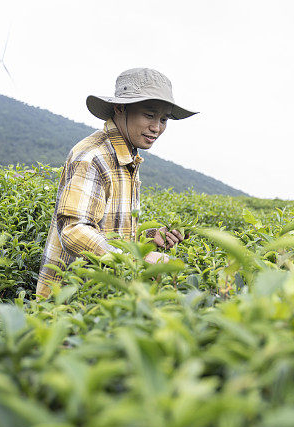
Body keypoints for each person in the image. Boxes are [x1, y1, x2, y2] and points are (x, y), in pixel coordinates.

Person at [36, 68, 195, 298]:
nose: (157, 128)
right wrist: (136, 258)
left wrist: (150, 238)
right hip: (69, 302)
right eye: (149, 115)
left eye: (163, 119)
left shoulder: (127, 157)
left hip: (102, 300)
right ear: (120, 109)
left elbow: (112, 230)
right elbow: (73, 230)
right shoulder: (94, 156)